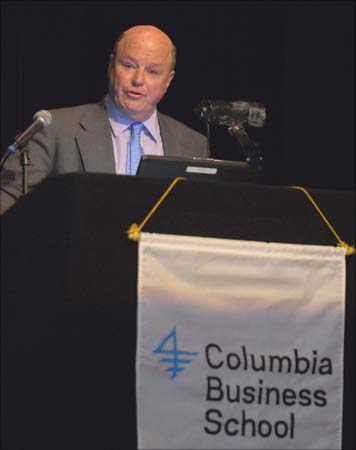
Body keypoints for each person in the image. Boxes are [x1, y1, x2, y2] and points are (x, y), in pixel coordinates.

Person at [0, 25, 209, 214]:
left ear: (168, 81)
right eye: (128, 65)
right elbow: (8, 207)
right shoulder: (55, 130)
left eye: (153, 71)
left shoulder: (194, 145)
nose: (138, 80)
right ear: (111, 66)